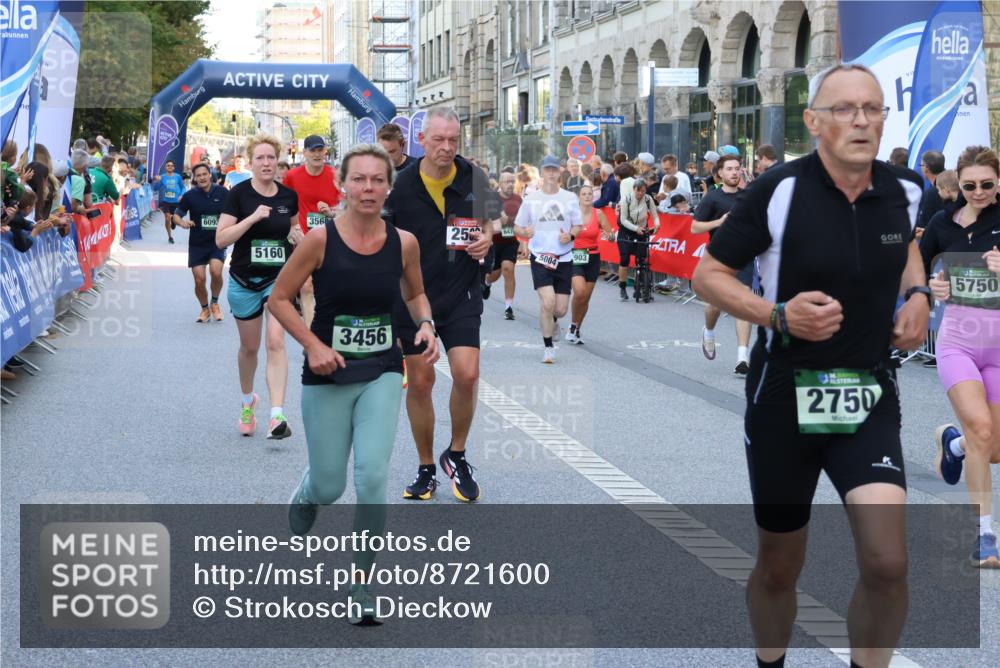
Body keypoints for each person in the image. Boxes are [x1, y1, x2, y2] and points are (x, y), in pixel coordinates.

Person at [692, 62, 929, 668]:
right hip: (782, 399)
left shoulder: (903, 189)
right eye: (845, 109)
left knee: (888, 563)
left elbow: (906, 249)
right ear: (813, 121)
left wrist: (919, 297)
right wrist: (776, 317)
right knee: (778, 566)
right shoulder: (778, 191)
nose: (861, 120)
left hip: (866, 393)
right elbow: (707, 274)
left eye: (872, 108)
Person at [269, 144, 439, 623]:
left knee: (372, 477)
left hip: (382, 369)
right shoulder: (319, 241)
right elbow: (279, 299)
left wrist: (425, 324)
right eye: (359, 179)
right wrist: (313, 346)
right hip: (327, 372)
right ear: (342, 185)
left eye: (377, 180)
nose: (368, 188)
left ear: (389, 186)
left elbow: (416, 292)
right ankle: (309, 494)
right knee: (330, 484)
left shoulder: (403, 242)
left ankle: (362, 584)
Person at [382, 106, 499, 503]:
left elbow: (491, 226)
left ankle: (458, 454)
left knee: (467, 375)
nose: (447, 147)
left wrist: (487, 243)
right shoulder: (398, 184)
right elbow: (378, 239)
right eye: (439, 140)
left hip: (461, 291)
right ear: (421, 140)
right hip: (413, 298)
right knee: (420, 382)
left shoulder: (475, 178)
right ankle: (426, 466)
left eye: (453, 140)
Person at [920, 145, 1000, 567]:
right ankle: (986, 536)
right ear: (958, 184)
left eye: (987, 184)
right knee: (982, 431)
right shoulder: (941, 222)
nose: (979, 191)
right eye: (970, 185)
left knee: (990, 447)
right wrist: (931, 284)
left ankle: (953, 444)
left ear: (998, 182)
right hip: (958, 342)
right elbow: (915, 269)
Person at [216, 135, 299, 440]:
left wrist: (298, 238)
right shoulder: (238, 195)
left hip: (278, 279)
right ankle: (247, 400)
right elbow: (221, 239)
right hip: (243, 280)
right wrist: (251, 218)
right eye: (260, 158)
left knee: (276, 342)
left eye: (270, 158)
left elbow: (293, 230)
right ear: (250, 163)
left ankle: (277, 415)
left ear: (277, 161)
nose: (266, 163)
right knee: (249, 348)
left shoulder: (288, 197)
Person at [513, 155, 582, 362]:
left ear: (560, 171)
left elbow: (578, 226)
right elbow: (517, 226)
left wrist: (569, 235)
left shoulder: (569, 197)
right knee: (547, 302)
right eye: (547, 170)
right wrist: (525, 232)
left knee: (560, 309)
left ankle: (552, 322)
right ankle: (548, 347)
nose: (551, 173)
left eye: (554, 169)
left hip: (564, 257)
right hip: (541, 257)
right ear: (542, 172)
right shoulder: (531, 199)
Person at [692, 154, 754, 374]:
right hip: (717, 257)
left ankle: (742, 358)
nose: (734, 172)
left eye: (737, 168)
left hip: (744, 257)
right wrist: (720, 222)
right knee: (716, 305)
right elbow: (694, 228)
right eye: (729, 169)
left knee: (743, 303)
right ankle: (708, 330)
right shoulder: (713, 198)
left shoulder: (747, 196)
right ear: (720, 173)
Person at [283, 134, 342, 328]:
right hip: (303, 239)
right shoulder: (292, 176)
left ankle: (327, 327)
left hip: (330, 239)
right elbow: (284, 204)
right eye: (313, 151)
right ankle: (311, 337)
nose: (318, 154)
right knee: (306, 286)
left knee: (328, 288)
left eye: (321, 150)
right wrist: (291, 227)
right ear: (305, 153)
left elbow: (346, 210)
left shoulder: (335, 176)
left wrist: (331, 212)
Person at [173, 162, 227, 322]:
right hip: (197, 243)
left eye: (205, 174)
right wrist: (182, 223)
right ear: (194, 178)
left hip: (217, 241)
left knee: (216, 272)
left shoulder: (223, 192)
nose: (202, 177)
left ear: (210, 174)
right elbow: (177, 215)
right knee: (199, 279)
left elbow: (235, 211)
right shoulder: (190, 196)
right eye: (198, 175)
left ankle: (215, 303)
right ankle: (205, 309)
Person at [567, 183, 612, 345]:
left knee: (585, 298)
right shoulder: (572, 213)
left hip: (593, 256)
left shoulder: (598, 213)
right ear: (579, 197)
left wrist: (611, 236)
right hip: (576, 254)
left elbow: (610, 232)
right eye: (584, 194)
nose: (587, 196)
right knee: (579, 292)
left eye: (589, 194)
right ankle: (572, 325)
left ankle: (577, 328)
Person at [482, 170, 525, 320]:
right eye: (507, 182)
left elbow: (523, 222)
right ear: (500, 184)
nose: (510, 184)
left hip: (510, 241)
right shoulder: (493, 198)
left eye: (512, 181)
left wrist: (524, 242)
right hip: (494, 242)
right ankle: (487, 283)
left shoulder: (519, 200)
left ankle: (508, 307)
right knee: (494, 274)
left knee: (508, 268)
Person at [616, 177, 659, 302]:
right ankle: (622, 287)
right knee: (624, 259)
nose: (640, 193)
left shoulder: (648, 199)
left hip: (641, 229)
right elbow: (623, 219)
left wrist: (657, 223)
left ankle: (640, 285)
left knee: (641, 259)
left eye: (643, 191)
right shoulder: (626, 200)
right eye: (638, 191)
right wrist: (635, 228)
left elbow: (655, 214)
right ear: (633, 189)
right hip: (626, 230)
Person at [152, 159, 185, 244]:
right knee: (167, 218)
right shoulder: (162, 177)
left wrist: (182, 195)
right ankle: (170, 236)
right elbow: (156, 188)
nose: (170, 167)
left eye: (171, 165)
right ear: (165, 167)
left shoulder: (177, 176)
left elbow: (183, 187)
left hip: (176, 202)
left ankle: (173, 221)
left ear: (174, 167)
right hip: (166, 201)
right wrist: (158, 181)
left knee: (174, 218)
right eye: (168, 165)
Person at [916, 150, 946, 233]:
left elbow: (923, 225)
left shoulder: (931, 193)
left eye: (921, 165)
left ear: (926, 168)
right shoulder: (953, 184)